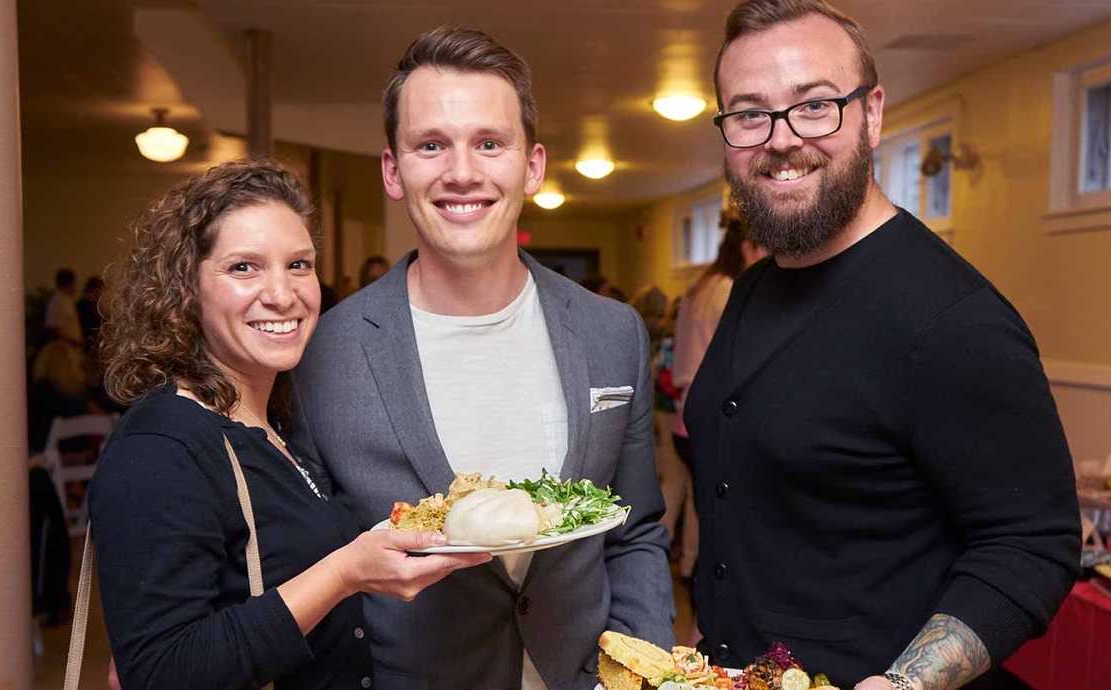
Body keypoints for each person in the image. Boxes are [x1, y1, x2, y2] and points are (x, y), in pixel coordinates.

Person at [686, 2, 1080, 689]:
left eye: (814, 105)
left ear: (871, 113)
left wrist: (904, 683)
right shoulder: (752, 290)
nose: (781, 139)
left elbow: (1031, 543)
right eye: (749, 113)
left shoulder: (952, 319)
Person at [291, 27, 674, 690]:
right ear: (392, 169)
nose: (461, 172)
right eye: (431, 144)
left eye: (489, 144)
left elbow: (634, 531)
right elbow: (308, 563)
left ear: (532, 165)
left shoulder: (612, 333)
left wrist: (640, 675)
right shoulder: (326, 350)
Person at [89, 160, 489, 690]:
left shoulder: (274, 420)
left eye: (298, 265)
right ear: (187, 288)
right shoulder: (162, 446)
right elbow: (161, 671)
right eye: (243, 268)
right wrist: (345, 574)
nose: (281, 294)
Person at [665, 220, 766, 590]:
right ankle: (699, 574)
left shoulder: (699, 287)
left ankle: (691, 569)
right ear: (748, 248)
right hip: (711, 414)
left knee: (695, 500)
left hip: (684, 413)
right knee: (710, 508)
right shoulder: (727, 290)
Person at [45, 268, 83, 346]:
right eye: (74, 283)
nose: (75, 287)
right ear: (69, 284)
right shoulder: (56, 301)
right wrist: (72, 340)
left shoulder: (68, 300)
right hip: (63, 348)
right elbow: (53, 327)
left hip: (72, 346)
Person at [76, 276, 104, 350]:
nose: (101, 294)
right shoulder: (83, 305)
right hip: (86, 343)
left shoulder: (95, 305)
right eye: (99, 290)